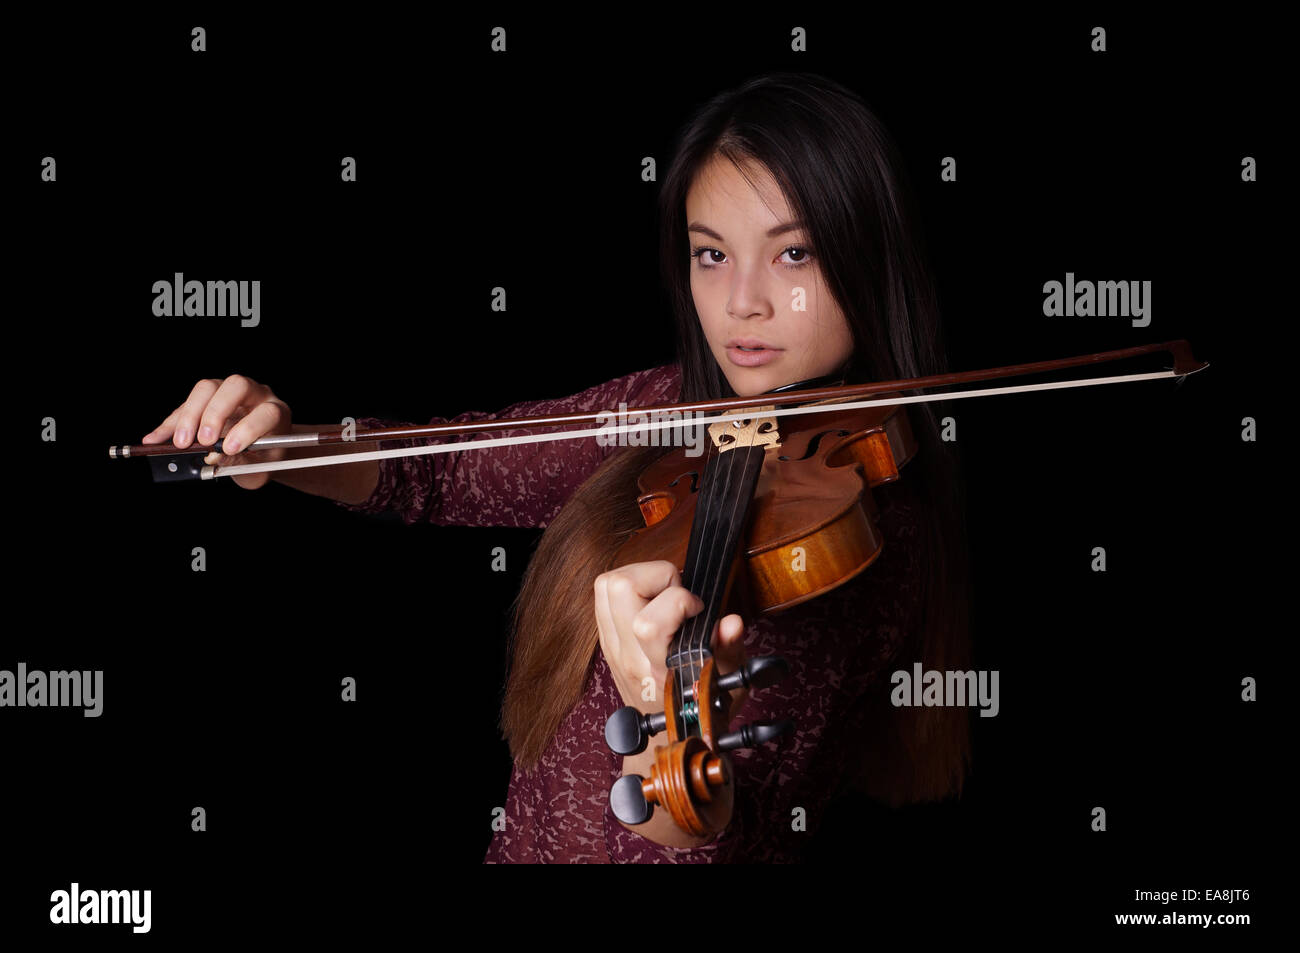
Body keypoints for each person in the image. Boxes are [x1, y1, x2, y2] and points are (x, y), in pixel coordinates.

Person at [140, 72, 972, 863]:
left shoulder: (868, 539)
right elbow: (447, 471)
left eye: (795, 255)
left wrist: (659, 722)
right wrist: (289, 447)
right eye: (711, 253)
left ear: (870, 258)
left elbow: (718, 844)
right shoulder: (676, 403)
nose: (742, 302)